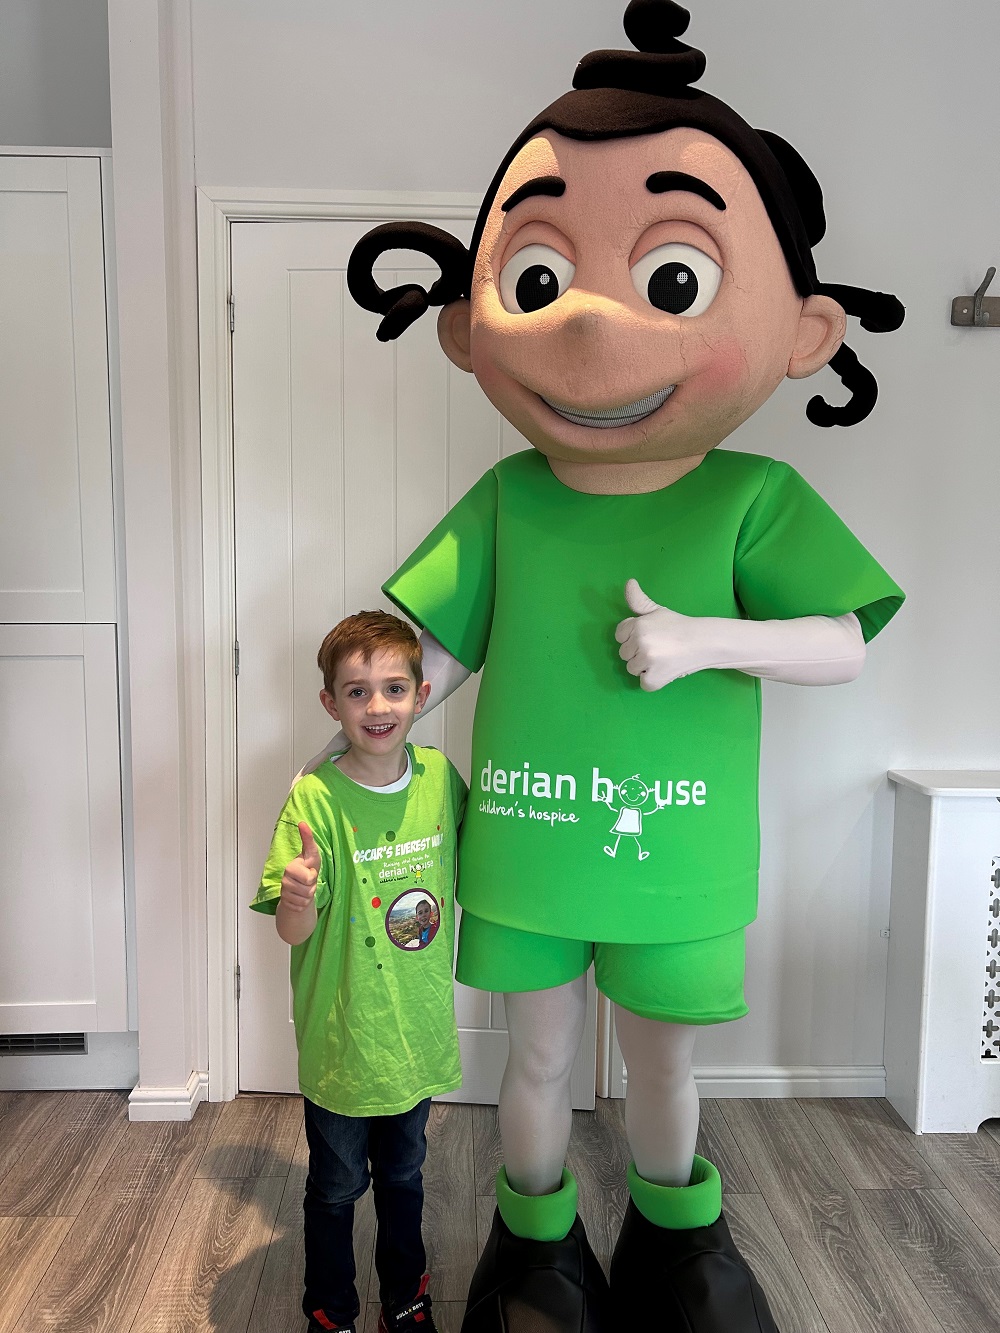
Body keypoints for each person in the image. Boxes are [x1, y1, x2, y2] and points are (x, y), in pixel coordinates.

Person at [340, 4, 905, 1331]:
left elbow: (841, 641)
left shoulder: (753, 499)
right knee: (534, 1058)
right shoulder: (506, 499)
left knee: (663, 1063)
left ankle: (675, 1233)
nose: (588, 321)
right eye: (536, 279)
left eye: (672, 278)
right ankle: (534, 1249)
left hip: (685, 851)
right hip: (527, 844)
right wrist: (365, 756)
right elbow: (429, 654)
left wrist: (700, 639)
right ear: (473, 325)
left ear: (805, 329)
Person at [250, 610, 467, 1333]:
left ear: (422, 693)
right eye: (357, 691)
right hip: (343, 1043)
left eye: (394, 688)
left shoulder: (441, 778)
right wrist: (300, 894)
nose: (377, 706)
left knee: (405, 1180)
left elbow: (486, 865)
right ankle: (331, 1308)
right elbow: (291, 929)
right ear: (330, 704)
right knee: (336, 1187)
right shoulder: (313, 799)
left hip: (414, 1036)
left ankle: (405, 1300)